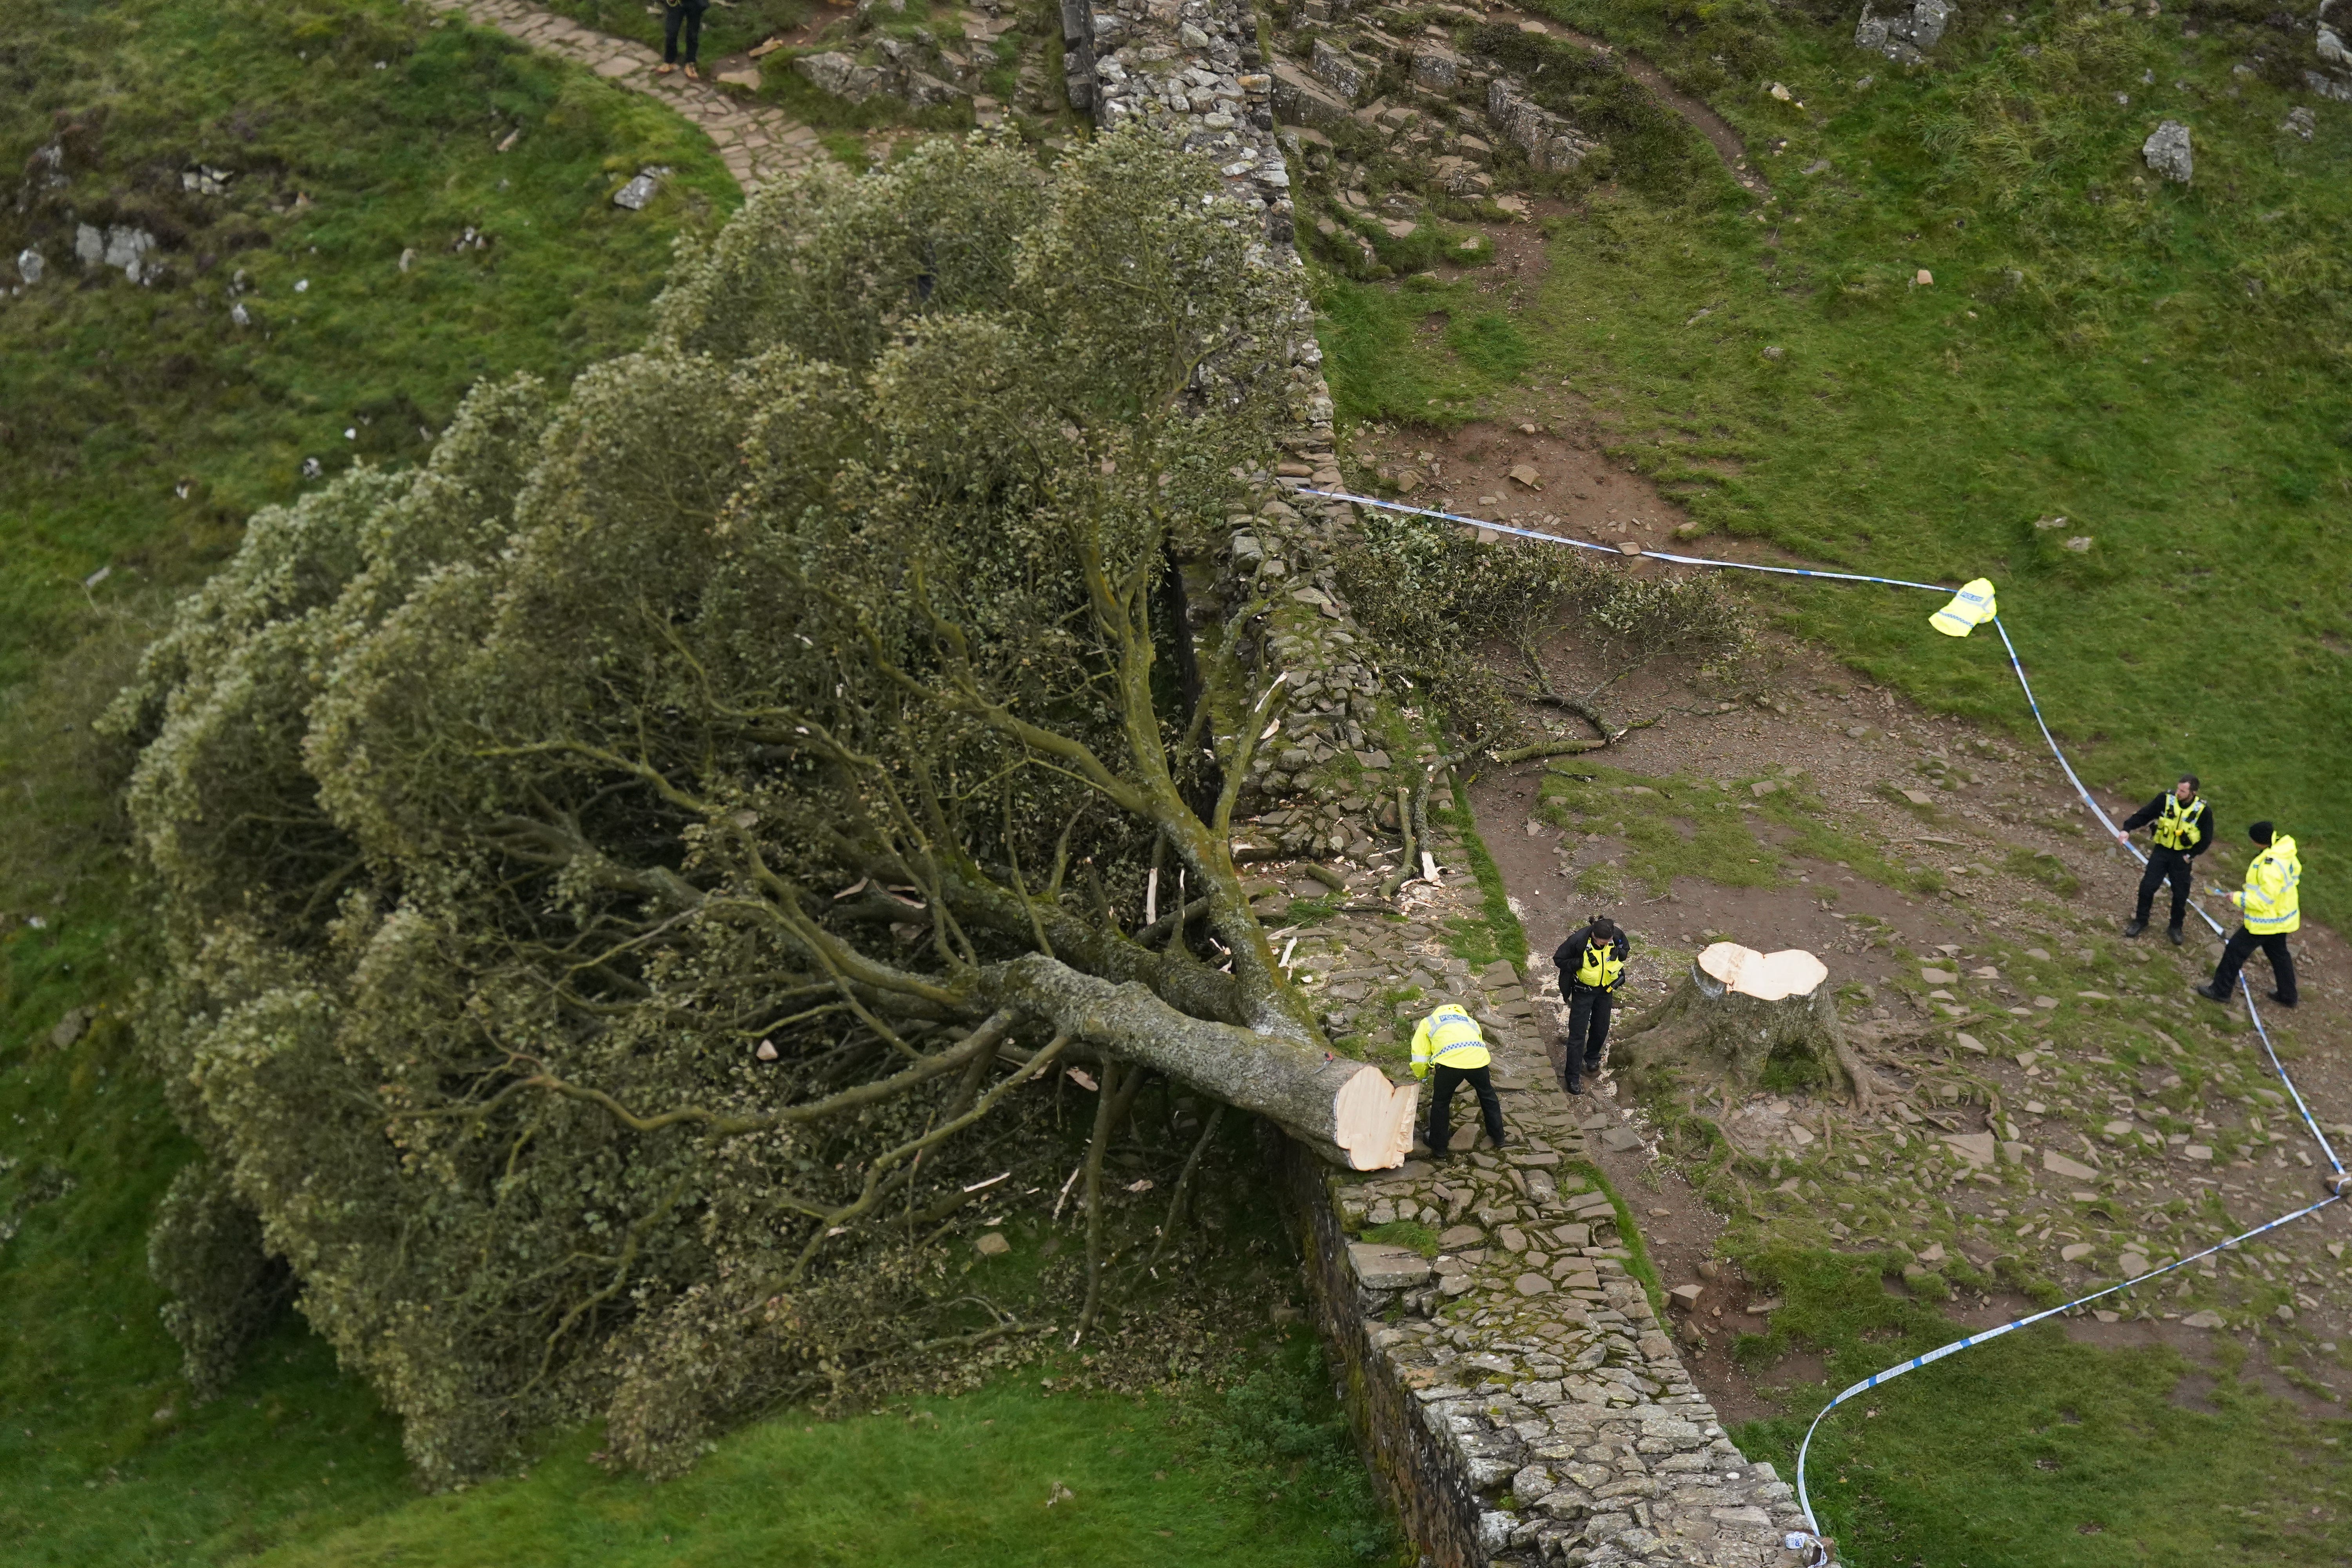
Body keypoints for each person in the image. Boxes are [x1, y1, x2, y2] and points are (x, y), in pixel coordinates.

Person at [2196, 820, 2299, 1009]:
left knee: (2235, 950)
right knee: (2279, 954)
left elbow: (2263, 900)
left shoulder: (2269, 865)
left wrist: (2238, 898)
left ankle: (2221, 991)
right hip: (2282, 917)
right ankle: (2288, 995)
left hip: (2265, 920)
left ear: (2260, 841)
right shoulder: (2286, 852)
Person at [2115, 775, 2214, 944]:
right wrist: (2127, 828)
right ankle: (2141, 920)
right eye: (2178, 789)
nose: (2178, 793)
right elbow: (2145, 814)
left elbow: (2206, 839)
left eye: (2183, 791)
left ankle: (2176, 927)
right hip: (2161, 852)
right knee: (2147, 887)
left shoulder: (2203, 811)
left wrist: (2190, 855)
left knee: (2180, 894)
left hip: (2182, 857)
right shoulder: (2165, 800)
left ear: (2193, 792)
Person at [1410, 1002, 1507, 1156]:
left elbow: (1419, 1056)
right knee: (1488, 1096)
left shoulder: (1429, 1022)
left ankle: (1439, 1146)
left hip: (1450, 1064)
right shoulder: (1470, 1021)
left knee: (1441, 1102)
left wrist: (1423, 1075)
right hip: (1478, 1061)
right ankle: (1499, 1137)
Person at [1552, 915, 1628, 1095]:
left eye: (1608, 941)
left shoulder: (1615, 935)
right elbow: (1559, 959)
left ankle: (1592, 1058)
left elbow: (1625, 947)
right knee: (1578, 1034)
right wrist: (1577, 964)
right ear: (1594, 937)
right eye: (1603, 941)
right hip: (1583, 992)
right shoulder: (1578, 940)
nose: (1606, 944)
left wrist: (1621, 953)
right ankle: (1572, 1077)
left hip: (1606, 991)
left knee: (1601, 1027)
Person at [656, 0, 710, 80]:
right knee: (671, 33)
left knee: (693, 35)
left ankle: (690, 63)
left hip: (695, 3)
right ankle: (669, 61)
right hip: (676, 3)